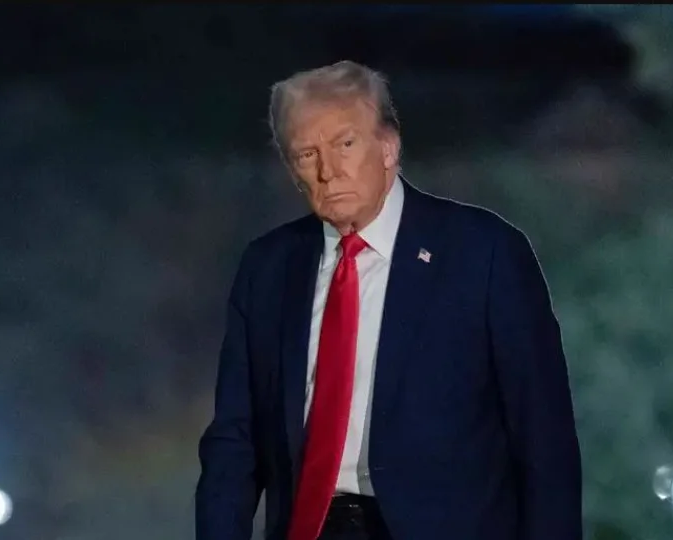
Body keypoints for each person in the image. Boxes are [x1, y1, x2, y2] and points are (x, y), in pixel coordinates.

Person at [196, 60, 582, 540]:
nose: (328, 171)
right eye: (307, 154)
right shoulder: (268, 269)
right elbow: (235, 441)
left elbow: (544, 440)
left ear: (388, 147)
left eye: (345, 144)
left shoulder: (484, 254)